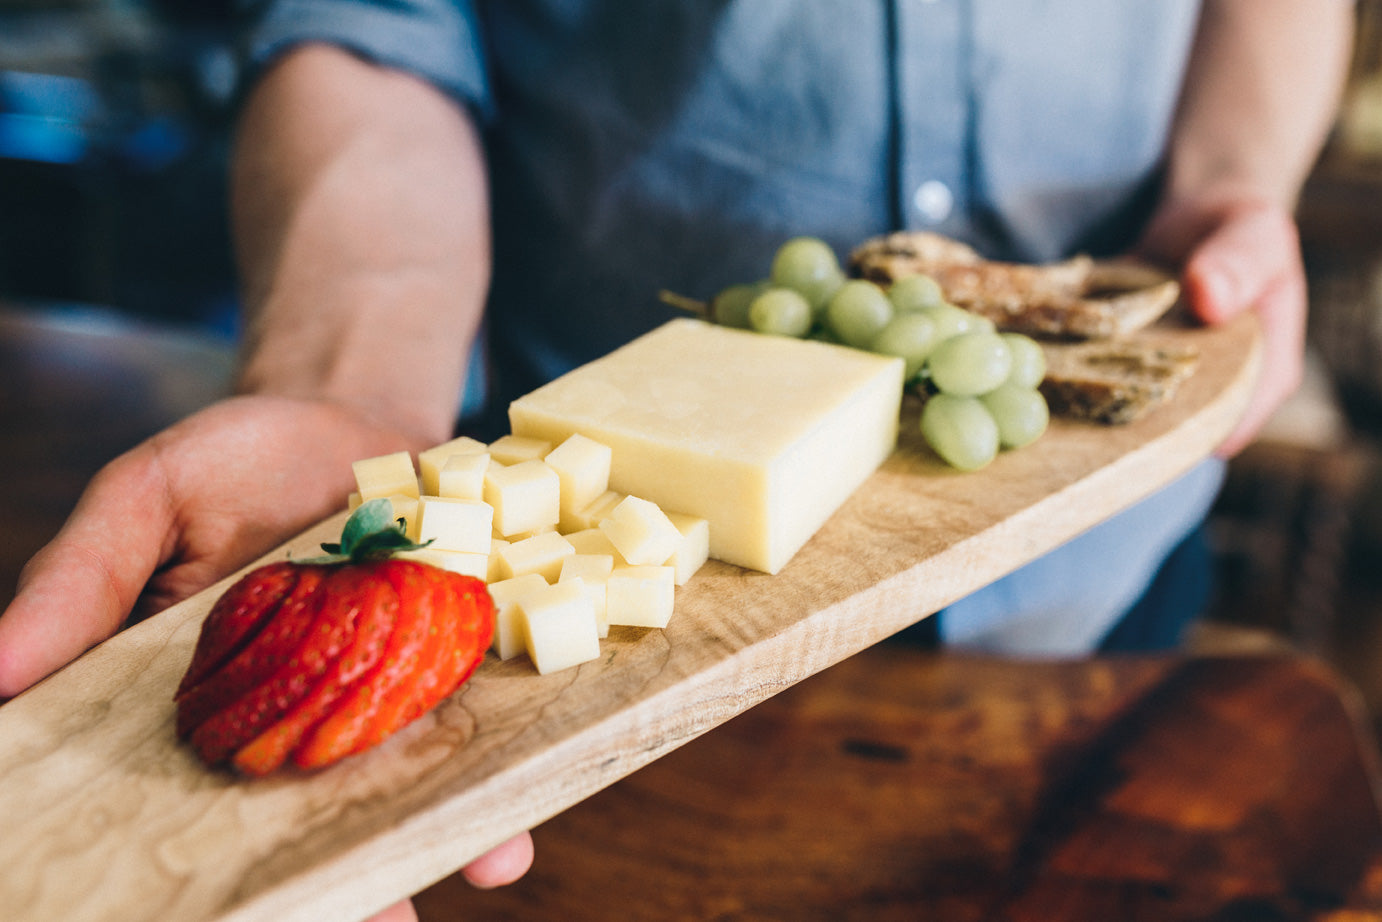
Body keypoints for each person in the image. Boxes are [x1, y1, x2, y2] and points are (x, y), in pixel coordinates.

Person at [0, 1, 1354, 919]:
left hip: (1095, 586)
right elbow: (375, 23)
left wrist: (1230, 177)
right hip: (591, 689)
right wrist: (349, 386)